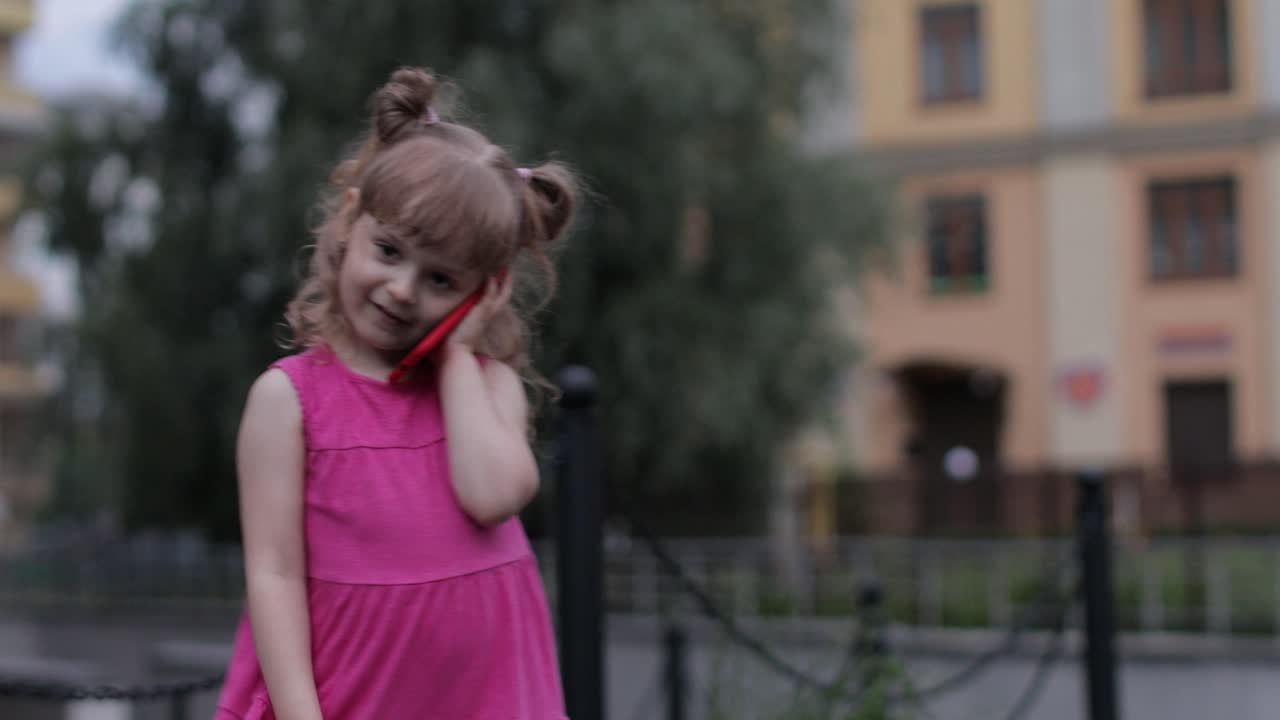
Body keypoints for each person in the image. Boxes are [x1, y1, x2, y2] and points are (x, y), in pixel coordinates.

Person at [214, 66, 576, 720]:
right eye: (388, 250)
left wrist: (462, 352)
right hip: (351, 697)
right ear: (350, 223)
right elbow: (273, 574)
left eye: (440, 278)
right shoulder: (288, 401)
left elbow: (494, 496)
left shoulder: (487, 388)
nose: (404, 289)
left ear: (483, 291)